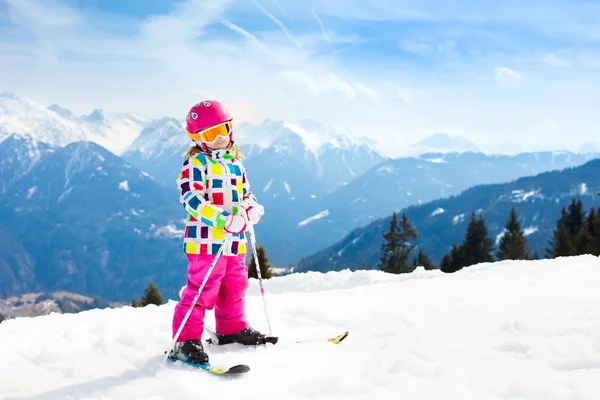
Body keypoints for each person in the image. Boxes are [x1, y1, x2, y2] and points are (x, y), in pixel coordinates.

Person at [168, 100, 269, 365]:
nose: (221, 138)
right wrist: (222, 218)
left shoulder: (236, 163)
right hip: (206, 241)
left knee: (235, 285)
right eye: (212, 134)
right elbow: (191, 198)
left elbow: (245, 194)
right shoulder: (196, 163)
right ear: (197, 137)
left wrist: (251, 208)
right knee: (203, 288)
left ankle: (231, 328)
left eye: (225, 129)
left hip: (235, 240)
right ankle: (185, 340)